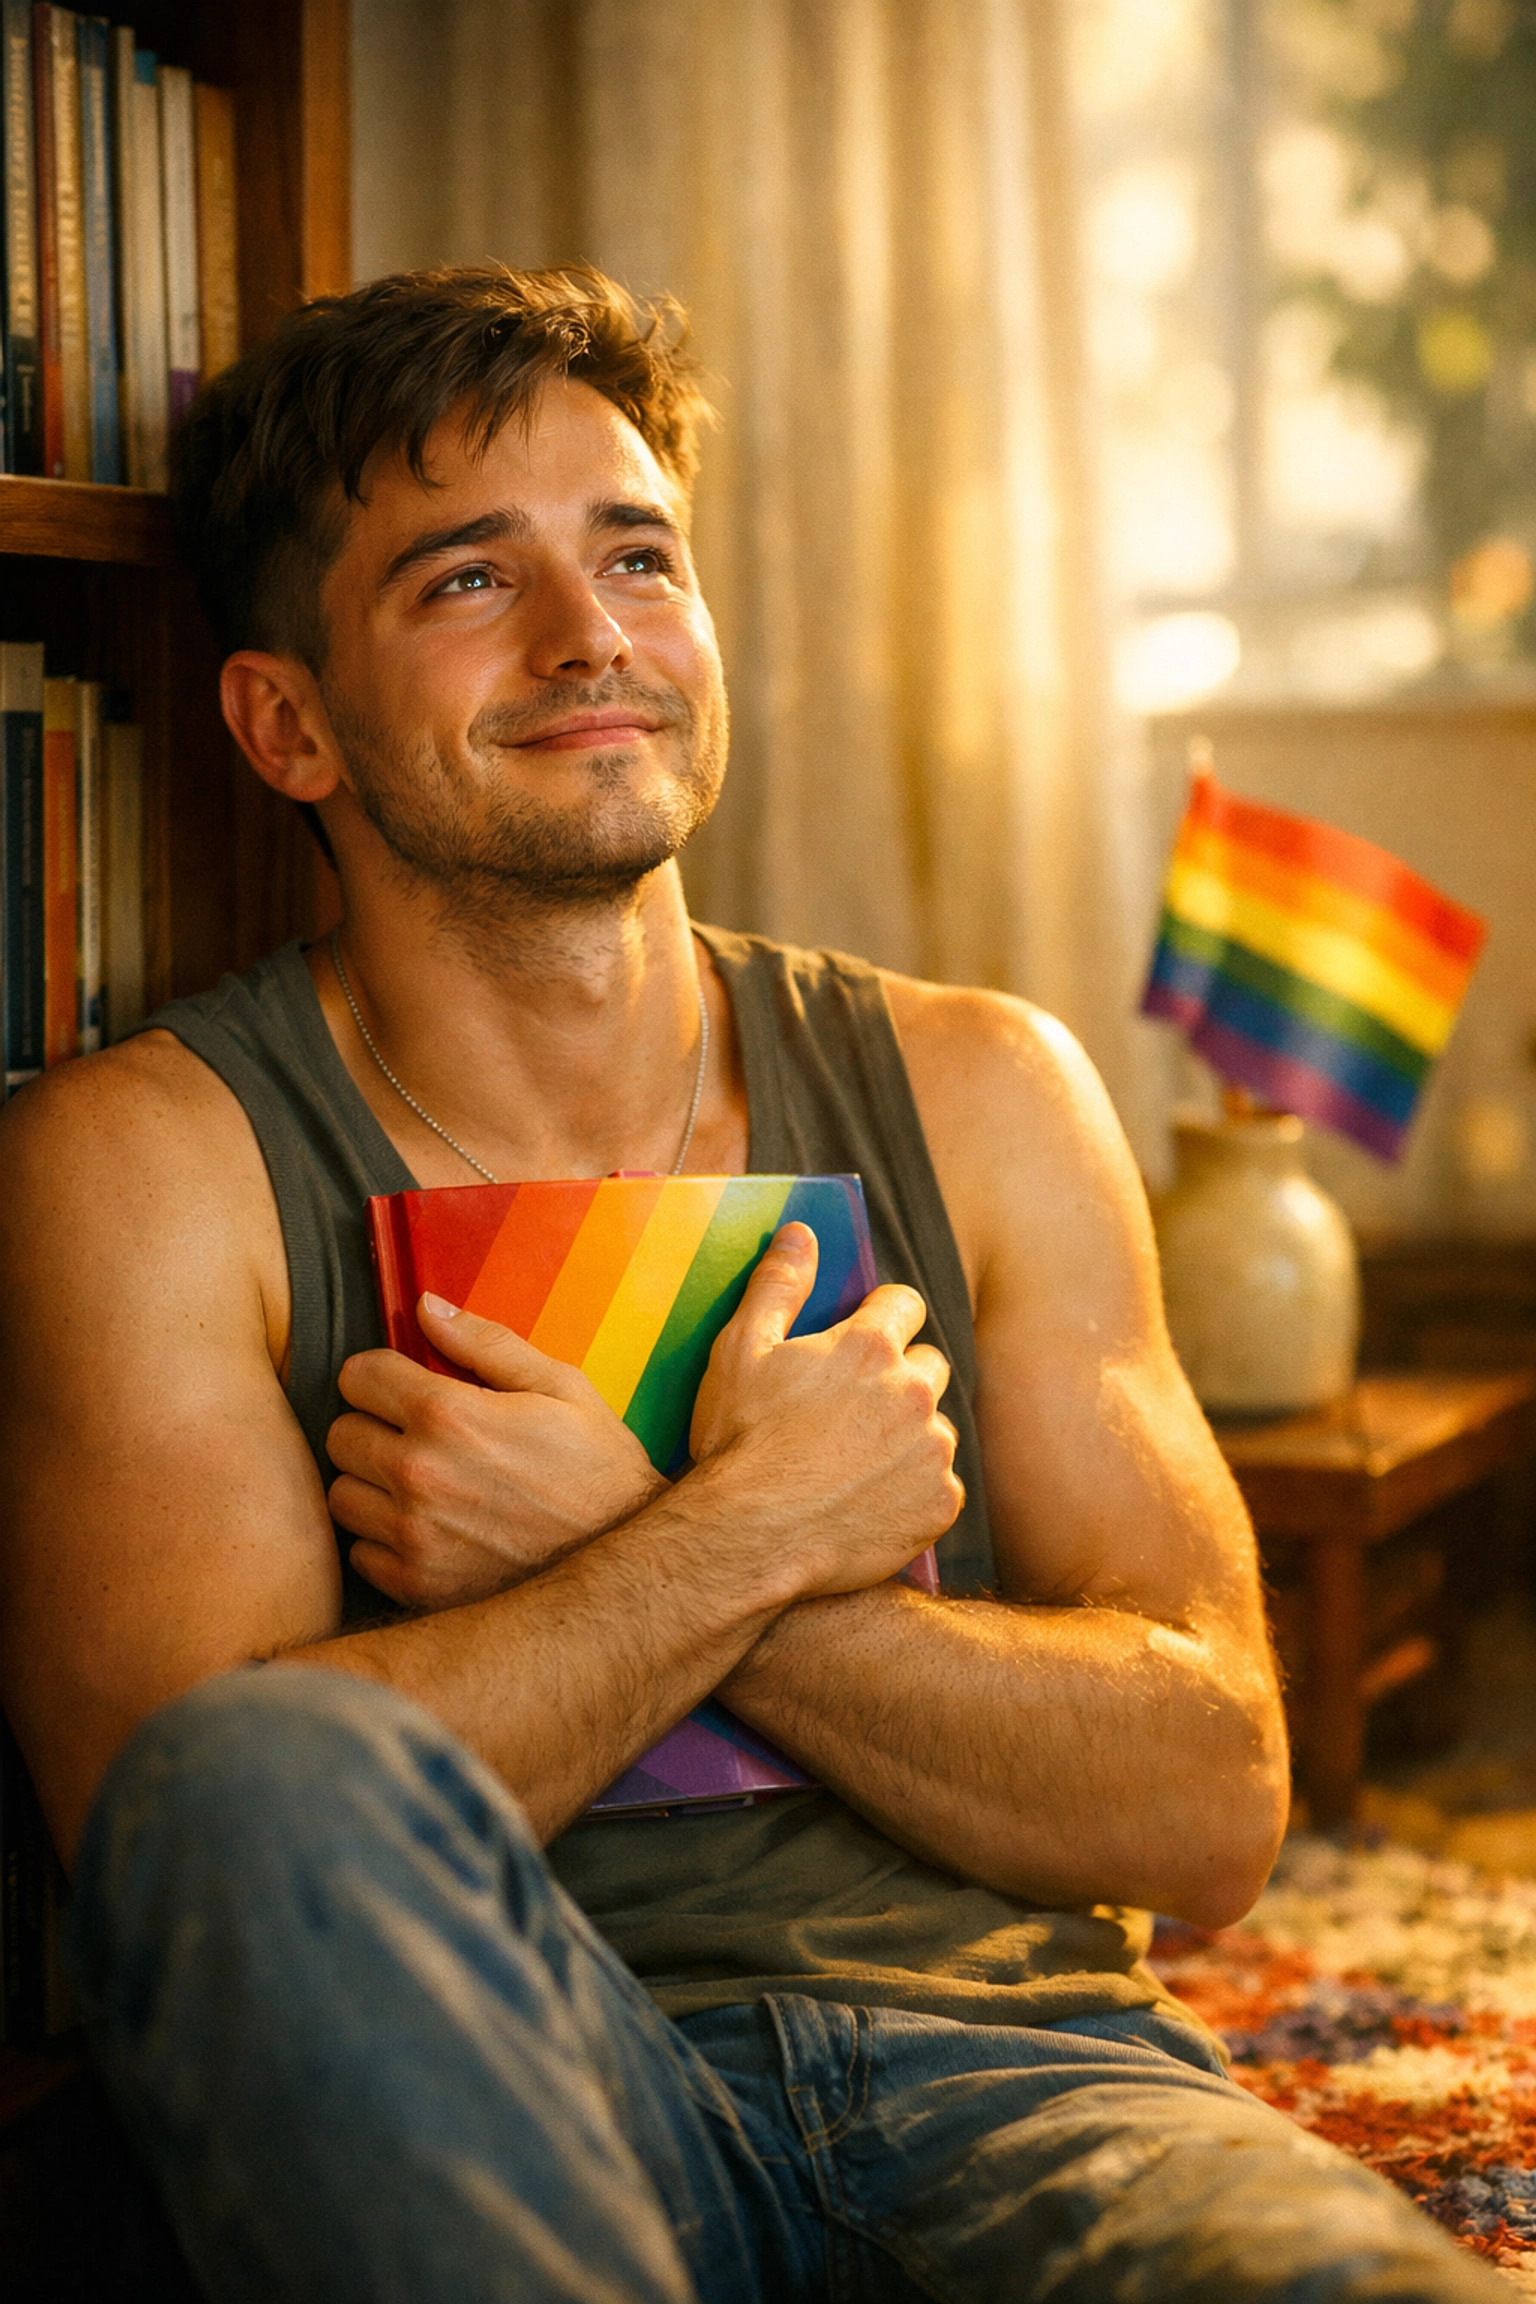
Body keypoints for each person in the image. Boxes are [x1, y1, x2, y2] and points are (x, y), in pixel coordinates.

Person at [0, 266, 1501, 2304]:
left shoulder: (985, 1089)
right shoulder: (144, 1164)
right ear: (286, 722)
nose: (591, 632)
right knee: (251, 1768)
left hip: (1037, 2082)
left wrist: (625, 1538)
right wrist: (743, 1535)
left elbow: (1216, 1791)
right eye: (467, 580)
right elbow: (200, 1846)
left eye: (638, 554)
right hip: (510, 2115)